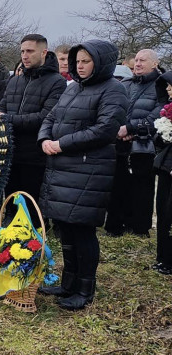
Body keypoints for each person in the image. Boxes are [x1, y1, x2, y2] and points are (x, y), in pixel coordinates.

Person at [39, 40, 127, 310]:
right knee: (65, 227)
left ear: (101, 62)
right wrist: (44, 138)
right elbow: (51, 117)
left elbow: (104, 129)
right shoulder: (73, 88)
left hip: (89, 169)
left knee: (82, 230)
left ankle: (85, 288)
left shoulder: (114, 90)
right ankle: (68, 282)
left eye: (86, 61)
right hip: (62, 168)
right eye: (78, 60)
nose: (80, 65)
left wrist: (62, 144)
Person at [0, 34, 66, 208]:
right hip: (10, 151)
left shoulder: (57, 82)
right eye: (22, 51)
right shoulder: (14, 81)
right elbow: (1, 108)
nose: (25, 56)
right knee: (11, 200)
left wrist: (8, 119)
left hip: (35, 154)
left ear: (44, 52)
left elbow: (45, 116)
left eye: (30, 51)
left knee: (32, 202)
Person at [104, 48, 162, 238]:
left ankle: (139, 227)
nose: (137, 64)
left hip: (144, 145)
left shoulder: (161, 85)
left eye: (142, 60)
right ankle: (115, 226)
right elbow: (115, 109)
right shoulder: (126, 84)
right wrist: (119, 129)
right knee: (118, 185)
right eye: (136, 60)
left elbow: (159, 115)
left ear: (155, 63)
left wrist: (132, 128)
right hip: (120, 142)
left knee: (142, 187)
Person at [153, 70, 172, 275]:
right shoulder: (167, 110)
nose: (167, 89)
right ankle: (164, 258)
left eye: (170, 85)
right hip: (166, 166)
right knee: (164, 212)